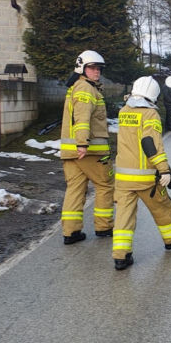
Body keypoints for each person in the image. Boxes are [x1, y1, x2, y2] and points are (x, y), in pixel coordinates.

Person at [112, 76, 171, 270]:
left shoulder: (124, 111)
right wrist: (165, 170)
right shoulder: (150, 114)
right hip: (145, 177)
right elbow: (151, 144)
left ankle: (121, 256)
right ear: (154, 95)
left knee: (124, 215)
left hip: (122, 176)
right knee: (162, 207)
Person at [59, 50, 114, 244]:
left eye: (99, 68)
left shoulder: (78, 86)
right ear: (81, 68)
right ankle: (104, 227)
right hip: (91, 151)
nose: (97, 71)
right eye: (92, 68)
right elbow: (81, 118)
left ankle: (71, 232)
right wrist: (82, 143)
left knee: (75, 189)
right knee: (105, 185)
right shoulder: (85, 88)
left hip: (71, 152)